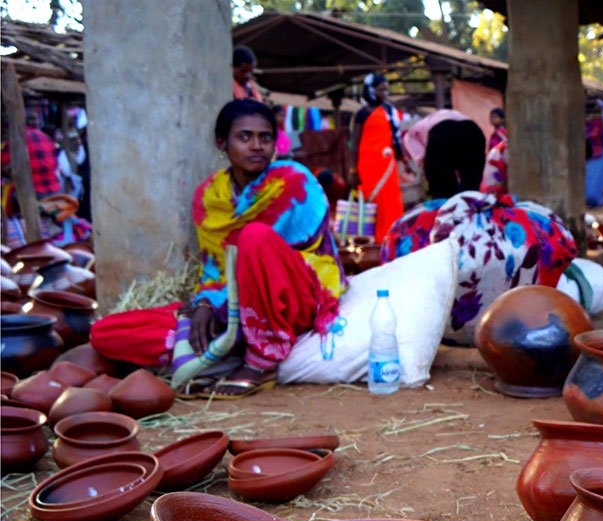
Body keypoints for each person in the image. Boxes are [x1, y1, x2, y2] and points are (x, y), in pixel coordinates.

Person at [89, 99, 345, 397]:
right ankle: (217, 356)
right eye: (244, 137)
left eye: (265, 137)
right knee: (107, 331)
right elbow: (214, 269)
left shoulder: (294, 182)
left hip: (293, 298)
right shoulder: (210, 197)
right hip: (230, 305)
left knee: (254, 238)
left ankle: (262, 360)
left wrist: (215, 305)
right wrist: (204, 303)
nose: (257, 146)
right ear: (222, 143)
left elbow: (271, 263)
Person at [381, 117, 575, 340]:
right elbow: (564, 255)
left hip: (430, 340)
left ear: (430, 165)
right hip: (513, 337)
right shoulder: (537, 222)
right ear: (480, 162)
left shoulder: (404, 229)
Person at [347, 73, 404, 243]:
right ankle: (376, 243)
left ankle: (392, 240)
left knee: (391, 203)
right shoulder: (362, 113)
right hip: (367, 167)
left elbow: (395, 139)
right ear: (371, 90)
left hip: (387, 166)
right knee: (373, 205)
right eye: (381, 90)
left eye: (386, 90)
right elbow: (354, 143)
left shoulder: (389, 112)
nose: (385, 94)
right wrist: (352, 170)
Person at [481, 107, 508, 194]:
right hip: (493, 164)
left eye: (495, 117)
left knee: (498, 187)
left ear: (502, 119)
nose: (492, 119)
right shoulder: (495, 133)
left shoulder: (502, 133)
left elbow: (506, 147)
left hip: (500, 164)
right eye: (491, 117)